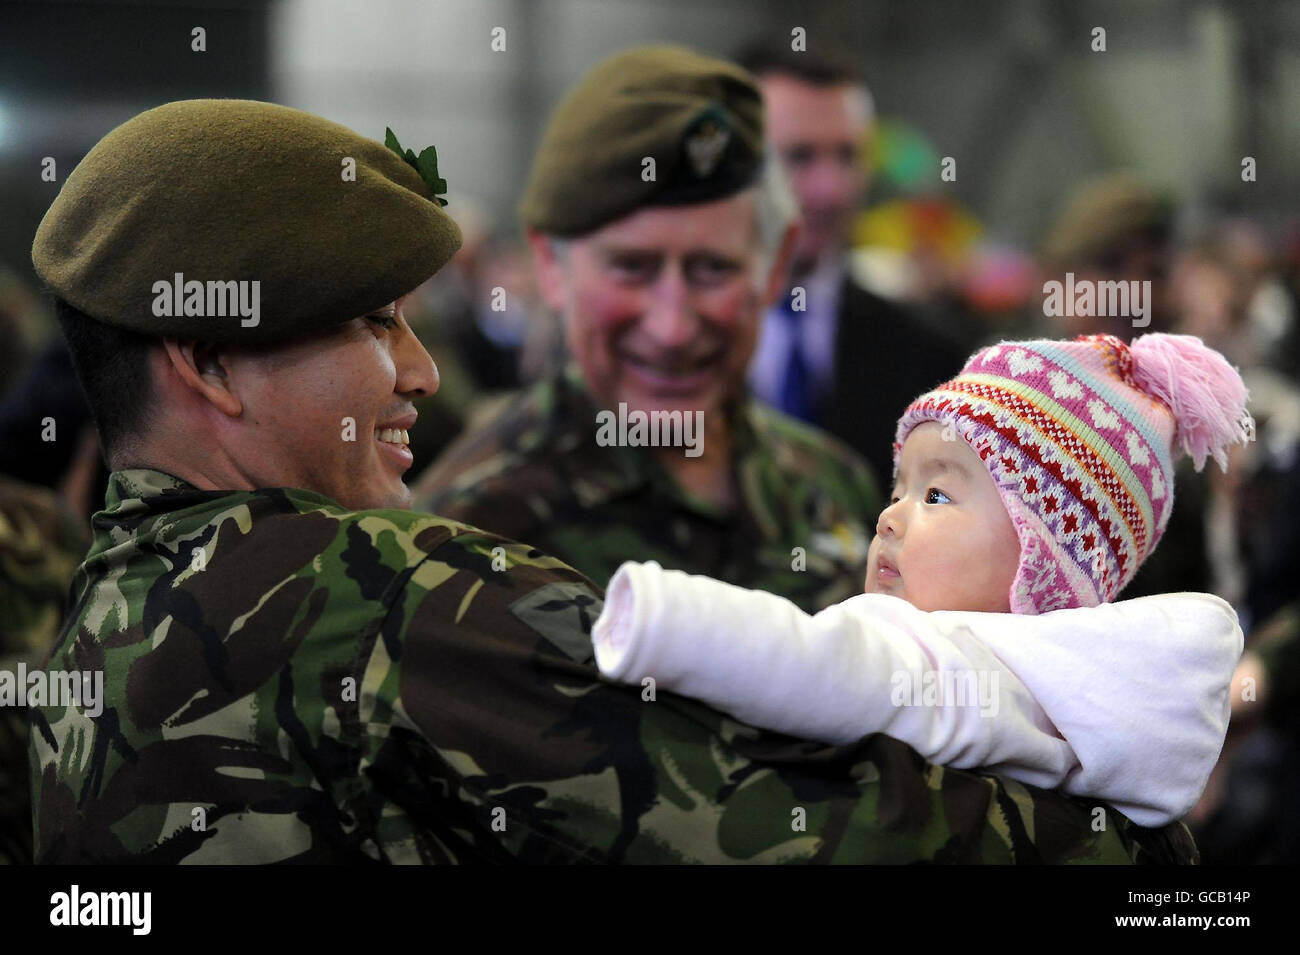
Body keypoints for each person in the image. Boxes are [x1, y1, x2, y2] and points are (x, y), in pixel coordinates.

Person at [26, 97, 1192, 865]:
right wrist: (1140, 843)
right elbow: (807, 832)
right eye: (374, 325)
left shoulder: (99, 609)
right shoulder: (375, 595)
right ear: (210, 359)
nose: (422, 372)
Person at [593, 332, 1254, 830]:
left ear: (1040, 566)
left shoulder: (943, 664)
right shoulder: (1056, 697)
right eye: (898, 487)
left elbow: (817, 667)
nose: (888, 515)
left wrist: (663, 620)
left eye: (936, 495)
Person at [413, 45, 880, 615]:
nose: (673, 327)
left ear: (775, 266)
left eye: (713, 268)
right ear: (550, 266)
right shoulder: (467, 534)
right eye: (631, 268)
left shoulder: (835, 487)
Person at [736, 42, 968, 485]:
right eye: (799, 157)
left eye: (848, 156)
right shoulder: (668, 348)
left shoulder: (932, 362)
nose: (832, 190)